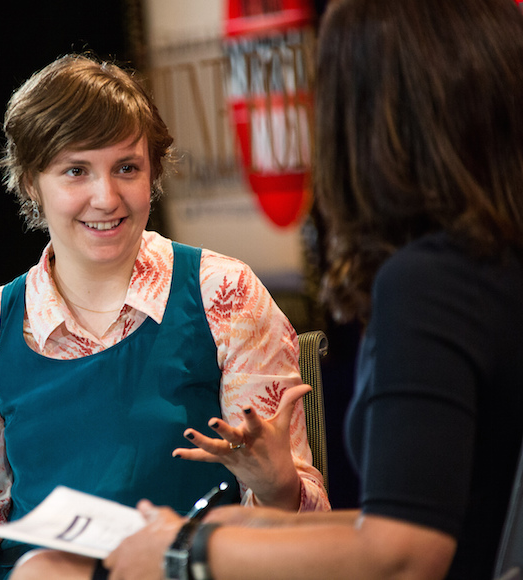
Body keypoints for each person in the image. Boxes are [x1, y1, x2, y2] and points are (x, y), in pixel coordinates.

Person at [0, 53, 329, 580]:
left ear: (152, 174)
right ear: (30, 184)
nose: (106, 197)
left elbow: (304, 541)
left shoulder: (223, 292)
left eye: (126, 168)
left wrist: (278, 483)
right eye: (75, 171)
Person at [102, 0, 523, 579]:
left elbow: (404, 553)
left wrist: (185, 553)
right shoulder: (492, 262)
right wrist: (255, 527)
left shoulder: (431, 284)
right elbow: (447, 512)